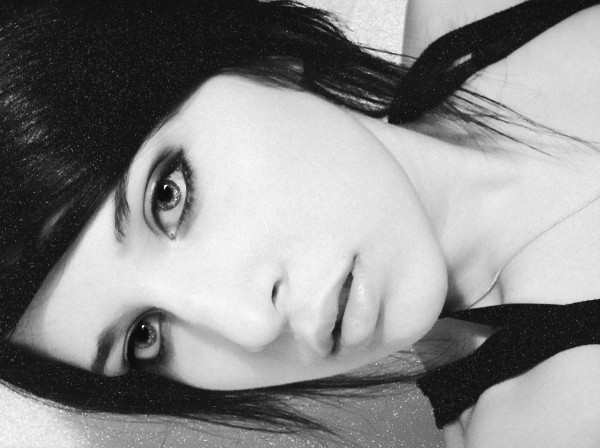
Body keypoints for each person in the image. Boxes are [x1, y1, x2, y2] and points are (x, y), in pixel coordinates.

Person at [1, 0, 599, 446]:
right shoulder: (554, 423)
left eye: (168, 196)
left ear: (253, 60)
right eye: (144, 339)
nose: (250, 325)